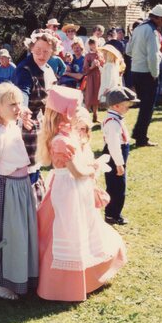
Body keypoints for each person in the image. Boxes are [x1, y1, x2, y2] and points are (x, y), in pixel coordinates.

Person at [36, 85, 127, 301]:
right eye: (76, 108)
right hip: (68, 192)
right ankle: (62, 283)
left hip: (74, 189)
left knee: (82, 228)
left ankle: (89, 274)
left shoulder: (67, 135)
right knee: (67, 231)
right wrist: (93, 168)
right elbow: (76, 172)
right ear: (65, 113)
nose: (80, 111)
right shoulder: (61, 141)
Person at [0, 83, 38, 301]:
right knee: (4, 235)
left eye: (19, 103)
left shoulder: (12, 125)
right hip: (7, 189)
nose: (17, 107)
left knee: (20, 234)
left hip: (21, 186)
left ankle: (20, 275)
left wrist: (24, 117)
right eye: (12, 104)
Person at [13, 29, 61, 205]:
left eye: (46, 51)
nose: (41, 54)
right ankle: (24, 203)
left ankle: (35, 199)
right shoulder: (24, 69)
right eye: (38, 50)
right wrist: (23, 108)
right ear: (31, 48)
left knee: (37, 161)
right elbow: (22, 92)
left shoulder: (48, 68)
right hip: (24, 122)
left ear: (52, 52)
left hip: (39, 121)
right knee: (26, 163)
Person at [127, 4, 162, 147]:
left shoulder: (138, 28)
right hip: (147, 73)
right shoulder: (151, 31)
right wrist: (155, 73)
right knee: (147, 107)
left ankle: (138, 134)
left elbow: (128, 50)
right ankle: (141, 138)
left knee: (144, 107)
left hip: (135, 71)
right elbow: (152, 56)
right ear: (158, 18)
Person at [101, 87, 140, 225]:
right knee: (117, 187)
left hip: (118, 152)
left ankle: (113, 213)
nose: (128, 109)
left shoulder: (116, 118)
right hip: (115, 155)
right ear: (116, 106)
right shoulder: (112, 122)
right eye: (126, 106)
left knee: (116, 185)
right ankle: (113, 214)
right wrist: (119, 163)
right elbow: (113, 146)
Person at [83, 37, 103, 122]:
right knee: (89, 96)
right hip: (91, 77)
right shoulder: (88, 55)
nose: (93, 46)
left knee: (96, 97)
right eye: (91, 44)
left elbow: (103, 64)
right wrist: (92, 66)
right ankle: (85, 117)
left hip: (98, 76)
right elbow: (85, 69)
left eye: (94, 44)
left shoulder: (100, 54)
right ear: (89, 45)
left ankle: (95, 116)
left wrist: (100, 65)